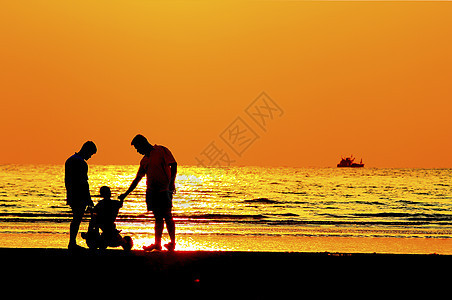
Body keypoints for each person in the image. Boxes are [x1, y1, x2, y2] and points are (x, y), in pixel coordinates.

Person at [119, 134, 177, 251]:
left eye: (137, 148)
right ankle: (158, 244)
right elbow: (137, 179)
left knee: (167, 216)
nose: (137, 151)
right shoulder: (144, 160)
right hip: (152, 192)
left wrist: (171, 183)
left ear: (143, 143)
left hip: (164, 190)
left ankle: (172, 243)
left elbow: (173, 164)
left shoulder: (161, 150)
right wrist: (125, 194)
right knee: (158, 218)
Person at [65, 141, 97, 250]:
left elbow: (67, 181)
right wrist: (89, 199)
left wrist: (69, 193)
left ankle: (72, 242)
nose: (90, 157)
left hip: (71, 194)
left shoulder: (69, 160)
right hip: (79, 195)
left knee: (76, 218)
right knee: (77, 219)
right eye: (90, 154)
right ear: (86, 150)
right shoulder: (82, 163)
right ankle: (72, 243)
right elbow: (84, 183)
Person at [82, 186, 133, 251]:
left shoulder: (102, 204)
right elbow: (120, 203)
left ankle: (93, 237)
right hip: (106, 227)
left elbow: (94, 212)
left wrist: (91, 210)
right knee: (95, 221)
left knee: (95, 220)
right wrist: (122, 198)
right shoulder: (113, 203)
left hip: (107, 228)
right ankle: (94, 237)